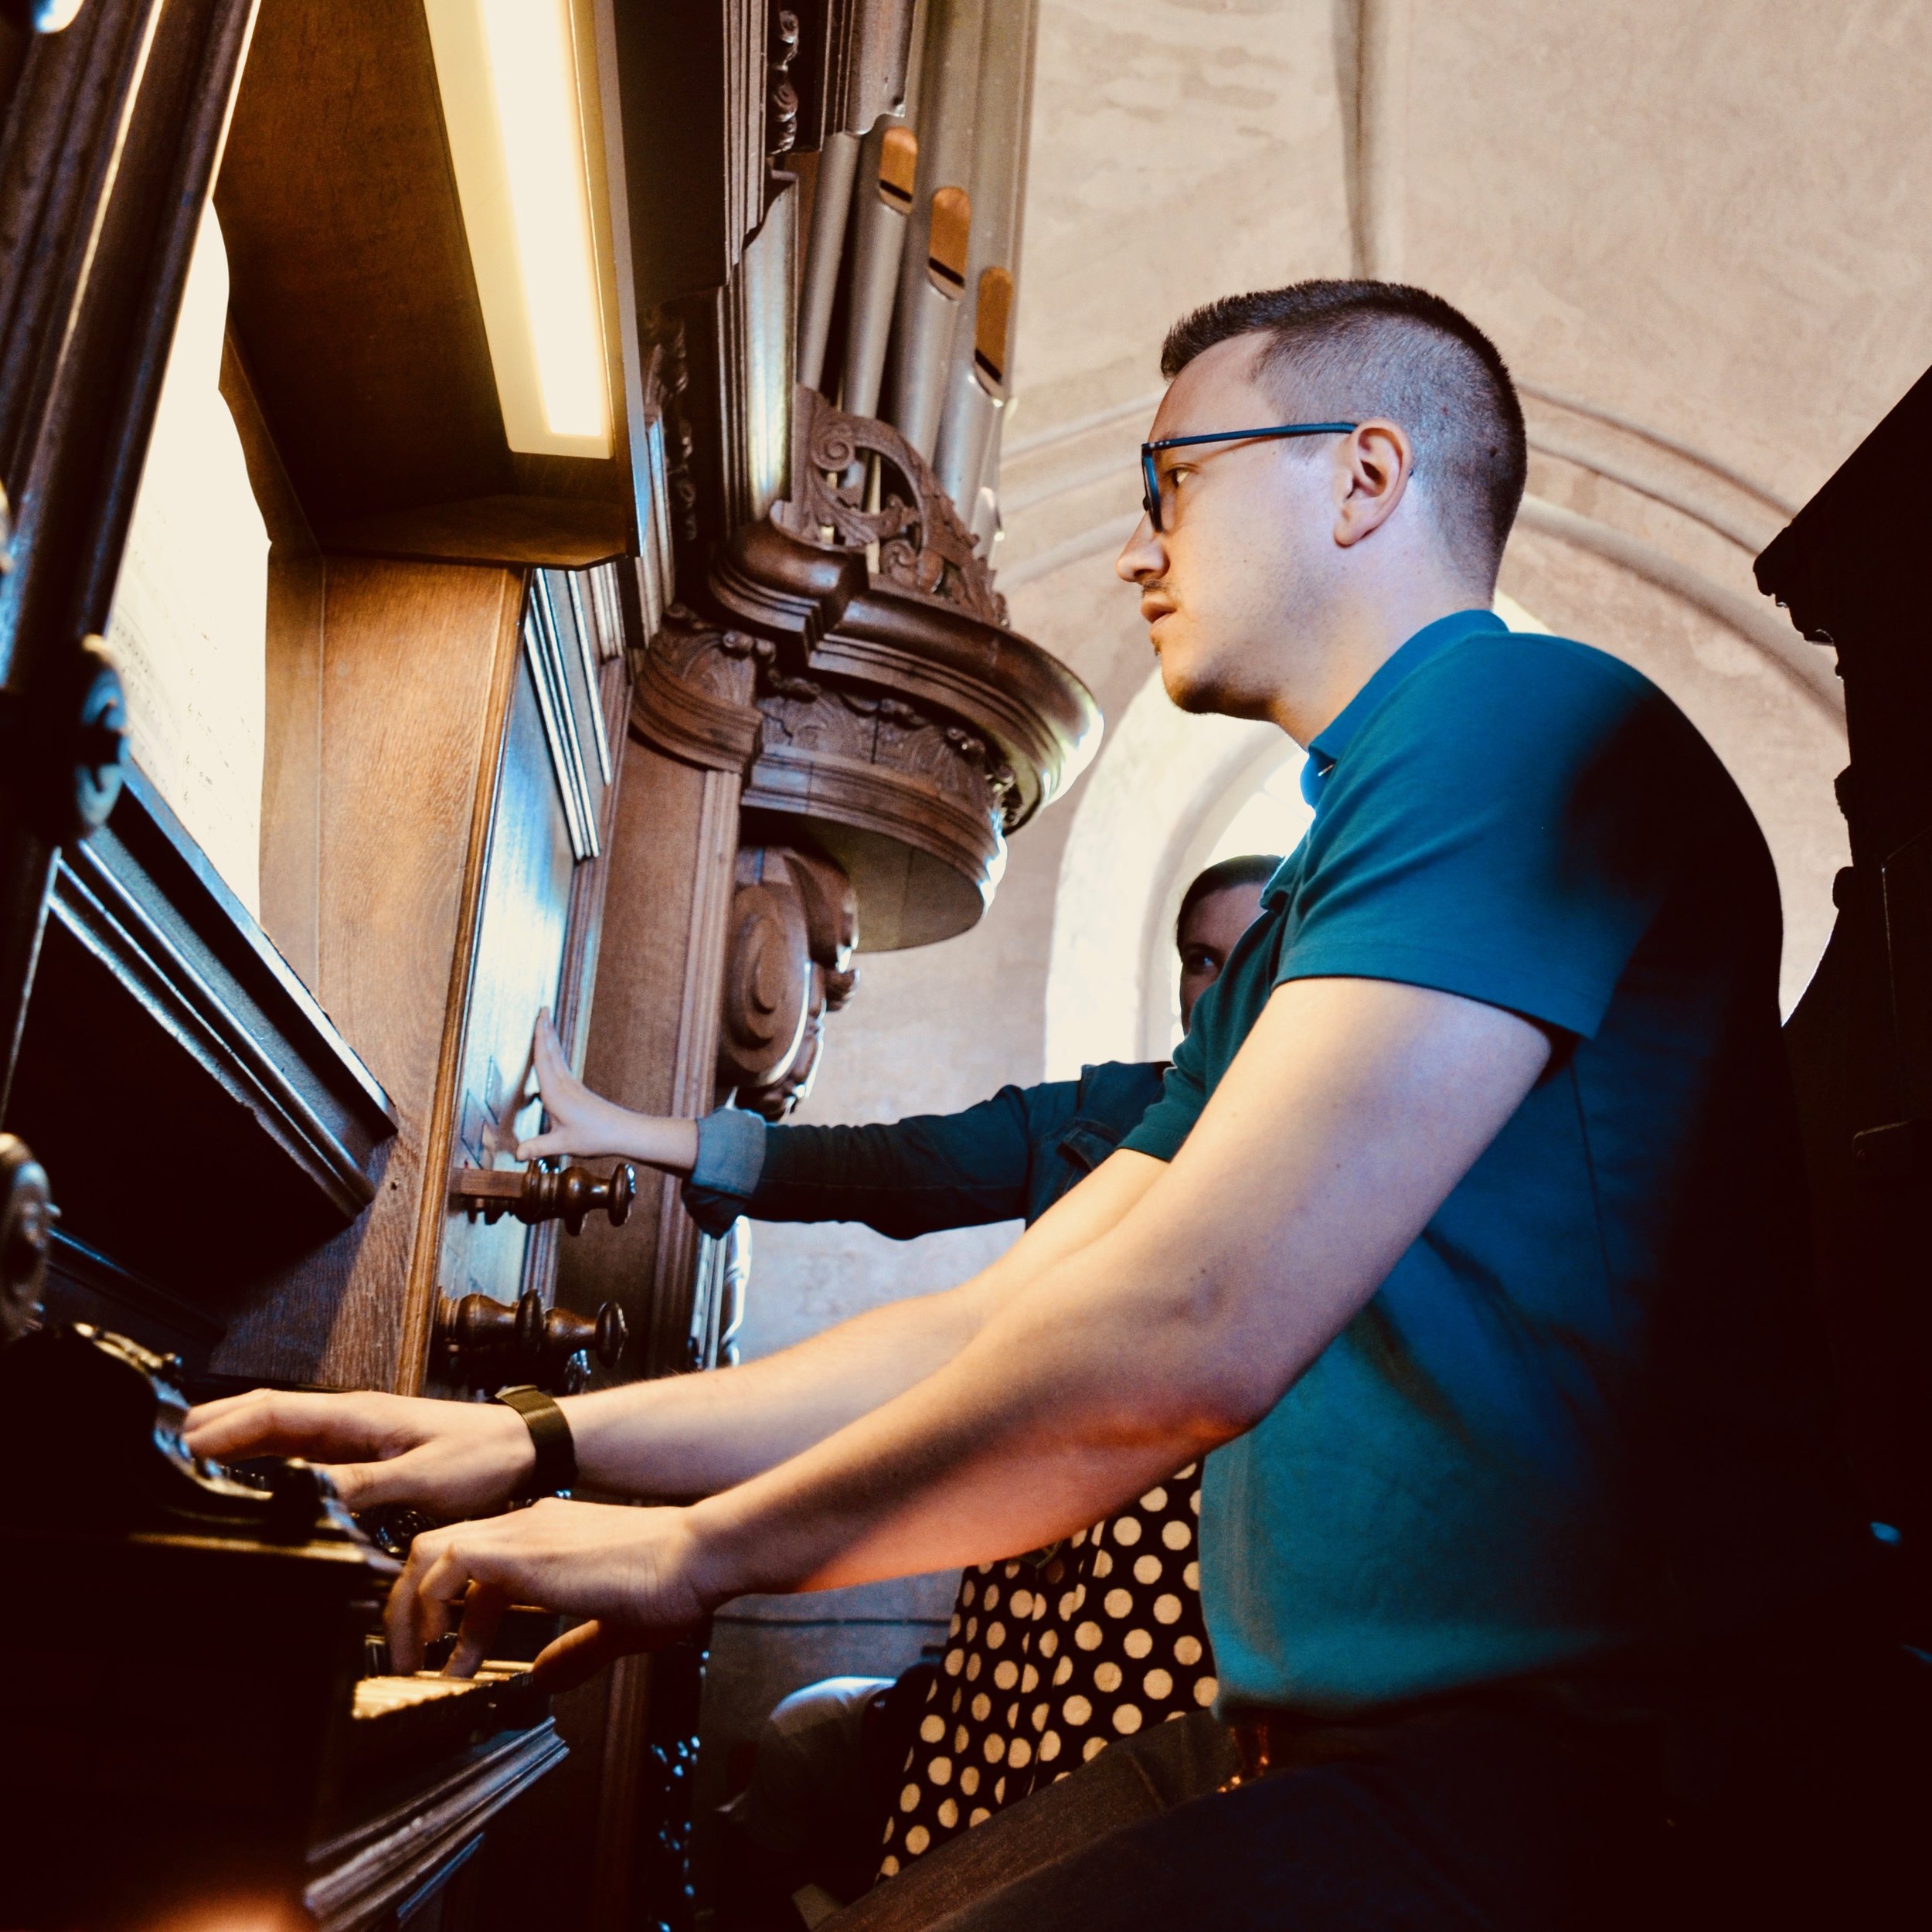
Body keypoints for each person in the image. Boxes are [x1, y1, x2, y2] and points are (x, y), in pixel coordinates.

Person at [187, 280, 1876, 1930]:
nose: (1141, 541)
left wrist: (700, 1554)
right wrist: (541, 1441)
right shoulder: (1317, 890)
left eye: (1178, 478)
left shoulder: (1512, 719)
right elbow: (1013, 1313)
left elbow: (1196, 1323)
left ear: (1365, 474)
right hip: (1326, 1751)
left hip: (1586, 1789)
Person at [514, 853, 1277, 1914]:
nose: (1223, 982)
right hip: (1033, 1574)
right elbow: (895, 1167)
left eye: (1253, 956)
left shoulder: (1330, 1145)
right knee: (979, 1860)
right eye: (1201, 958)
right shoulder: (1107, 1112)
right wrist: (636, 1136)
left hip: (1200, 1605)